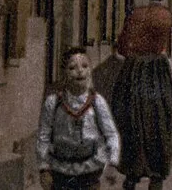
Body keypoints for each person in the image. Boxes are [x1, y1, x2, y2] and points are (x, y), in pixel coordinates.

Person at [110, 0, 172, 190]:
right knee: (161, 119)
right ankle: (156, 175)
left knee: (131, 119)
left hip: (132, 72)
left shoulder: (135, 13)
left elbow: (121, 46)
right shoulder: (168, 16)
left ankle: (132, 173)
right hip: (156, 71)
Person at [37, 46, 121, 190]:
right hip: (60, 170)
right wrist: (44, 169)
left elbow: (111, 133)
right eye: (72, 68)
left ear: (90, 70)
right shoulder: (54, 103)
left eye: (84, 66)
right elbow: (43, 136)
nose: (80, 71)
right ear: (64, 73)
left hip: (90, 170)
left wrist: (113, 163)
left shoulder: (97, 102)